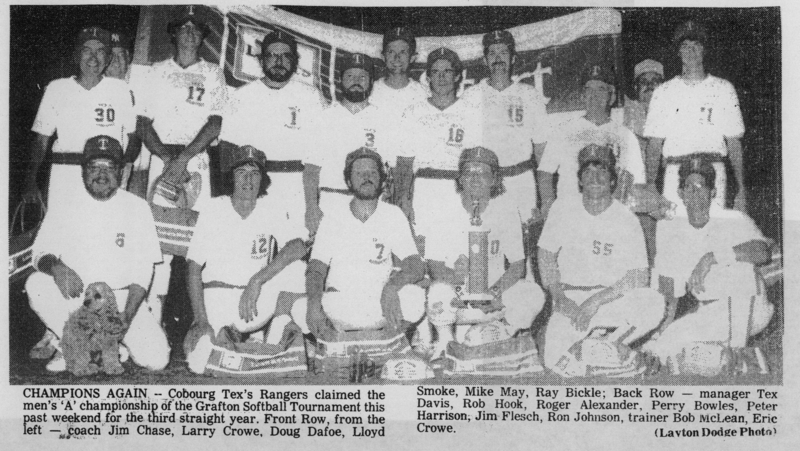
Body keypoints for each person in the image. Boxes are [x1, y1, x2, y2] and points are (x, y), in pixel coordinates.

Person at [25, 135, 168, 372]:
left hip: (122, 299)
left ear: (121, 172)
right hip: (78, 297)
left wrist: (128, 316)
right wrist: (57, 268)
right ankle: (74, 345)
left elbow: (144, 270)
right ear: (82, 171)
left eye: (109, 167)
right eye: (93, 167)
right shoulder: (64, 203)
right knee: (36, 284)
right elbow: (39, 252)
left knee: (156, 359)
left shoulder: (137, 207)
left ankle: (100, 347)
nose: (101, 174)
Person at [136, 5, 229, 333]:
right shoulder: (155, 71)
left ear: (203, 36)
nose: (190, 33)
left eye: (196, 29)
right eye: (184, 27)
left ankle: (201, 320)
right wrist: (166, 158)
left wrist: (184, 158)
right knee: (158, 239)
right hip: (162, 160)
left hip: (196, 161)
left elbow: (216, 122)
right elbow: (143, 123)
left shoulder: (213, 72)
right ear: (173, 33)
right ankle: (153, 316)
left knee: (196, 238)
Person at [183, 145, 309, 373]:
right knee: (200, 365)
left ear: (263, 179)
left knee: (297, 269)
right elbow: (193, 268)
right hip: (219, 301)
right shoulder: (214, 209)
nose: (249, 180)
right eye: (242, 173)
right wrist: (201, 321)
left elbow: (299, 246)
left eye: (255, 174)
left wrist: (257, 280)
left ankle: (276, 330)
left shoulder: (270, 206)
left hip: (255, 299)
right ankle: (238, 339)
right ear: (231, 177)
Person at [538, 144, 664, 370]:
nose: (595, 178)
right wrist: (559, 297)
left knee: (652, 302)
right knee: (553, 363)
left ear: (613, 180)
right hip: (571, 302)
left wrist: (597, 301)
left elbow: (639, 276)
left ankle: (602, 347)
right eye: (588, 173)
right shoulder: (562, 208)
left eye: (602, 172)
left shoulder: (627, 219)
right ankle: (603, 351)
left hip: (609, 302)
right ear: (579, 180)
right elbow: (546, 256)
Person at [644, 157, 774, 364]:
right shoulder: (671, 229)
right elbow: (669, 290)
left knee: (740, 268)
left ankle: (737, 350)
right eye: (688, 187)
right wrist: (658, 334)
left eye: (701, 186)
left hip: (751, 309)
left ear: (712, 192)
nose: (694, 192)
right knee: (664, 347)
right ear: (681, 194)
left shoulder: (734, 219)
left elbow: (762, 252)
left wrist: (711, 258)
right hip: (711, 313)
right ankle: (728, 356)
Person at [291, 148, 426, 341]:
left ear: (381, 179)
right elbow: (316, 268)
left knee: (416, 297)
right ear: (348, 181)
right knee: (299, 308)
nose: (366, 177)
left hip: (381, 305)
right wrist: (314, 304)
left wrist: (392, 288)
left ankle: (388, 341)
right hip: (341, 306)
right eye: (359, 173)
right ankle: (335, 343)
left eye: (372, 172)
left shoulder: (393, 214)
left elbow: (415, 265)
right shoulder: (333, 216)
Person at [423, 147, 546, 358]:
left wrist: (495, 291)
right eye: (469, 172)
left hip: (493, 298)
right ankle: (446, 341)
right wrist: (455, 281)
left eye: (483, 172)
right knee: (437, 293)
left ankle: (500, 331)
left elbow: (517, 265)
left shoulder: (506, 208)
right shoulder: (443, 209)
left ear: (494, 179)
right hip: (459, 297)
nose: (475, 177)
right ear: (460, 179)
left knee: (533, 294)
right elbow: (433, 264)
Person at [219, 29, 326, 236]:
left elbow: (317, 155)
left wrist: (312, 205)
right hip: (255, 184)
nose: (279, 61)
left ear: (295, 61)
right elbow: (226, 152)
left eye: (286, 56)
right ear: (261, 60)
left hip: (298, 185)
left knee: (298, 250)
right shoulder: (243, 97)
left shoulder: (311, 96)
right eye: (272, 55)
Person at [26, 26, 136, 211]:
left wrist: (121, 170)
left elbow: (133, 138)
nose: (93, 58)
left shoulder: (120, 90)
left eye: (100, 51)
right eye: (87, 51)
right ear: (76, 56)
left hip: (105, 176)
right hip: (66, 173)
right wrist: (30, 180)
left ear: (108, 58)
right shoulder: (57, 89)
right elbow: (41, 141)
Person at [644, 21, 746, 212]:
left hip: (713, 171)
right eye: (685, 46)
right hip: (675, 171)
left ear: (704, 50)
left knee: (711, 230)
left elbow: (734, 143)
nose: (690, 51)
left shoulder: (724, 88)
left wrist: (741, 189)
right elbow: (654, 144)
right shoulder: (663, 92)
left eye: (696, 46)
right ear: (678, 52)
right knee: (676, 230)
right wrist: (650, 185)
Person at [459, 29, 550, 223]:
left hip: (522, 181)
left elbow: (542, 151)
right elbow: (463, 151)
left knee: (523, 247)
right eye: (492, 53)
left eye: (503, 53)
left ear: (513, 58)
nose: (498, 58)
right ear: (484, 60)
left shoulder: (529, 95)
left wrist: (547, 198)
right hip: (484, 183)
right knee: (484, 246)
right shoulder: (471, 96)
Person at [395, 47, 481, 245]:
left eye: (447, 72)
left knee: (457, 253)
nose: (441, 78)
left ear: (458, 76)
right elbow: (404, 163)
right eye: (435, 72)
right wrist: (404, 200)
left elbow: (476, 162)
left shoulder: (471, 112)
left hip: (458, 190)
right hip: (424, 189)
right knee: (423, 254)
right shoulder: (413, 112)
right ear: (428, 77)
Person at [304, 53, 399, 227]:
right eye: (350, 76)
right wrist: (311, 208)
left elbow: (392, 170)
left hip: (371, 203)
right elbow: (311, 170)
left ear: (371, 82)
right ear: (341, 80)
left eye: (362, 76)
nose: (356, 80)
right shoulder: (324, 118)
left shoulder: (385, 119)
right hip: (331, 201)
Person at [538, 64, 646, 217]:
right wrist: (548, 206)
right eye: (589, 89)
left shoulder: (626, 136)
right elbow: (545, 172)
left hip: (611, 215)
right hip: (570, 214)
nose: (594, 95)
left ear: (612, 96)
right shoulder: (564, 130)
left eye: (601, 89)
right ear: (582, 95)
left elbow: (638, 182)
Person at [369, 27, 428, 120]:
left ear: (412, 57)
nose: (397, 58)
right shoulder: (371, 91)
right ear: (383, 56)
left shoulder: (423, 93)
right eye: (391, 52)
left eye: (403, 52)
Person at [623, 58, 664, 149]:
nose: (649, 85)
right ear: (636, 87)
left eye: (655, 81)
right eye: (643, 82)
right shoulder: (626, 109)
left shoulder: (672, 111)